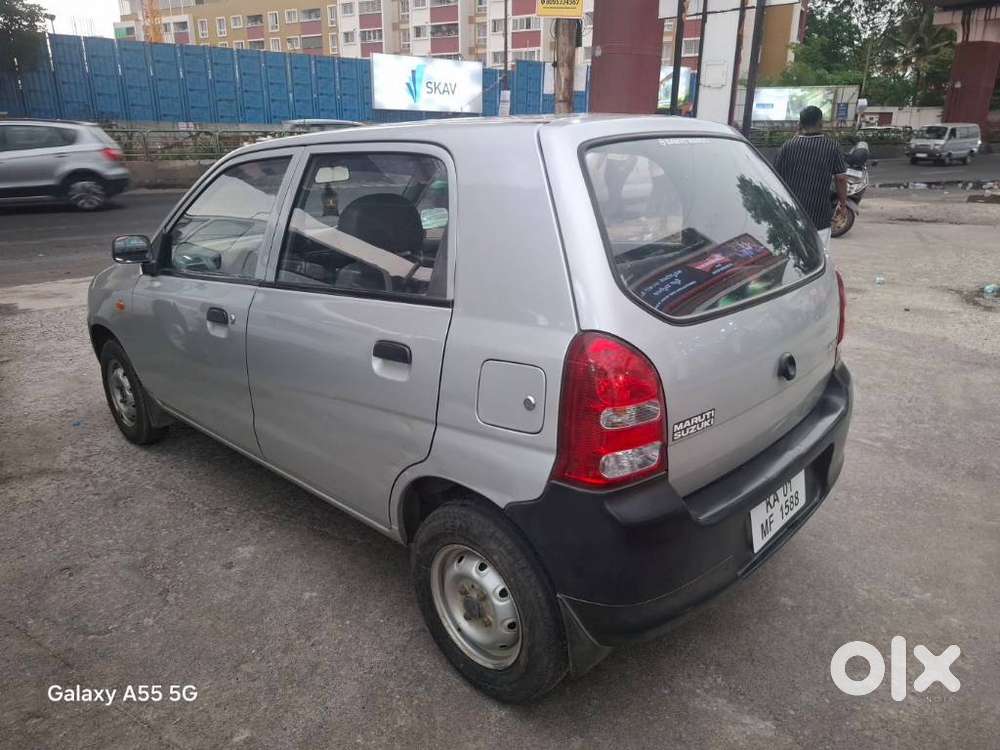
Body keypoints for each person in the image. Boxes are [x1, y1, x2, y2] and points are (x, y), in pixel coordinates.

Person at [774, 105, 848, 249]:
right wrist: (843, 205)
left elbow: (775, 178)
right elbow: (841, 178)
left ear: (800, 124)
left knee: (793, 256)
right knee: (819, 256)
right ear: (821, 123)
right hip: (819, 215)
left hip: (791, 215)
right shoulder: (831, 146)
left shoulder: (787, 146)